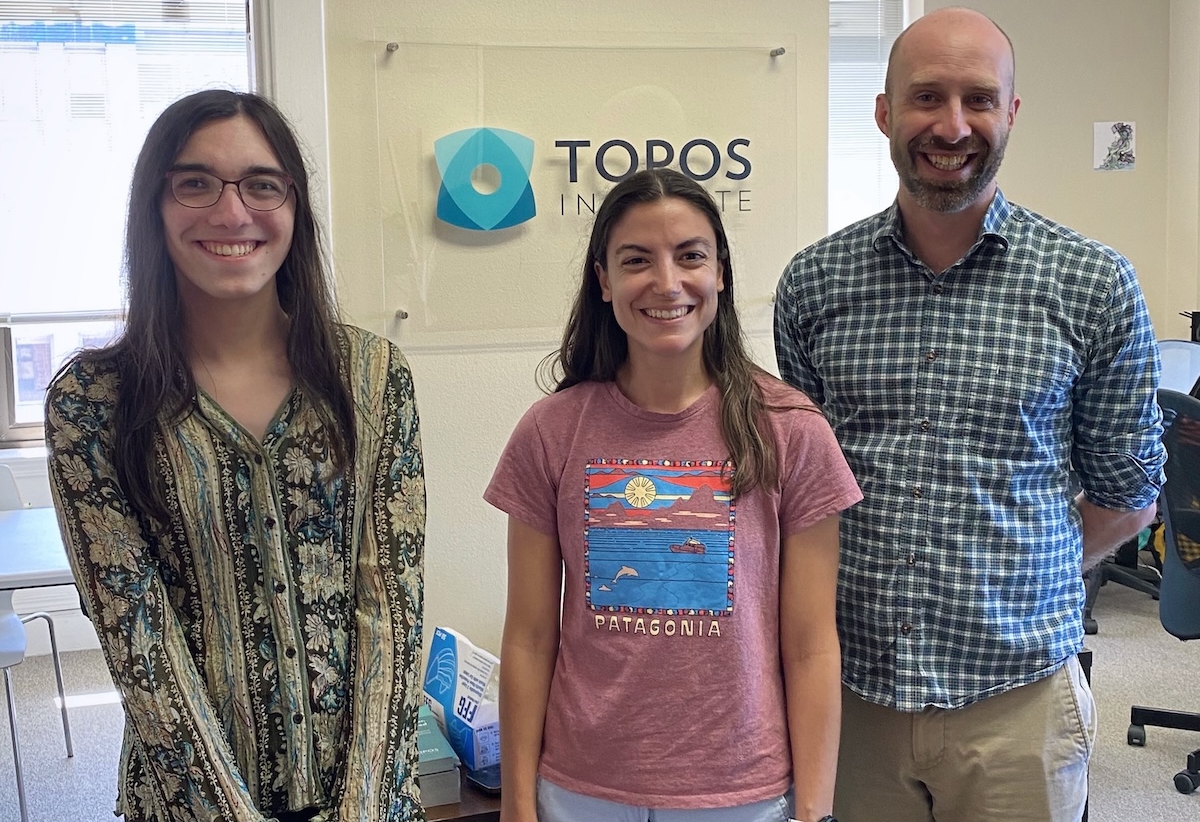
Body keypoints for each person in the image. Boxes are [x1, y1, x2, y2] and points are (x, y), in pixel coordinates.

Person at [774, 7, 1166, 822]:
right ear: (884, 111)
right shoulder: (813, 285)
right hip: (855, 697)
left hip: (1017, 706)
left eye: (979, 99)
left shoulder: (1093, 284)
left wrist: (1021, 574)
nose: (952, 126)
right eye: (927, 97)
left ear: (1011, 112)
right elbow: (807, 496)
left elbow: (1128, 495)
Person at [44, 89, 426, 822]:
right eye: (195, 183)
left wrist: (365, 804)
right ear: (154, 206)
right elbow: (137, 634)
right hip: (187, 801)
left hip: (364, 797)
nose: (231, 212)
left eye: (261, 183)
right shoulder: (93, 400)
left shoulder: (372, 376)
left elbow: (392, 604)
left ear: (294, 206)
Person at [485, 167, 861, 822]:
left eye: (690, 256)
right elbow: (529, 638)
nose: (666, 282)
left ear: (721, 273)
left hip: (742, 794)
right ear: (604, 280)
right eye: (636, 260)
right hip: (581, 791)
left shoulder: (792, 429)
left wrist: (816, 811)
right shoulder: (550, 431)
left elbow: (810, 646)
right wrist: (518, 806)